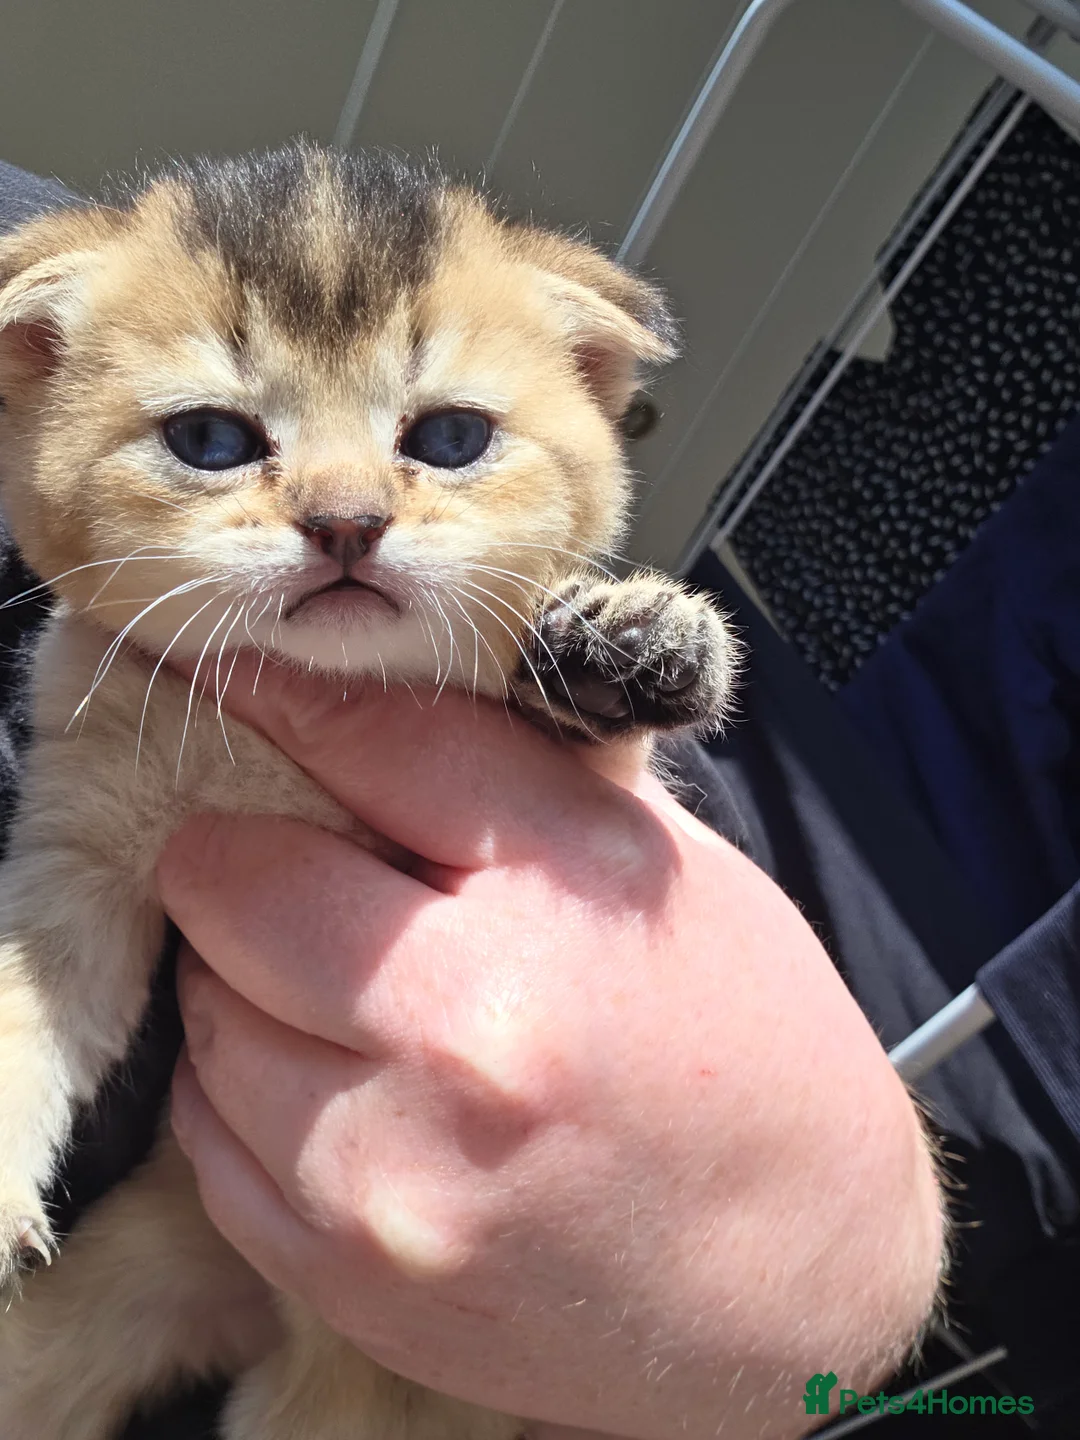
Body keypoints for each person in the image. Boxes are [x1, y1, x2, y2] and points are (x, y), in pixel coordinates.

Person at [1, 158, 1076, 1440]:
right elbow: (56, 941)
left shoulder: (512, 646)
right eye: (213, 437)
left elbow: (592, 853)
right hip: (204, 1201)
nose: (345, 511)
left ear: (596, 392)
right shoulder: (110, 663)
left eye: (444, 438)